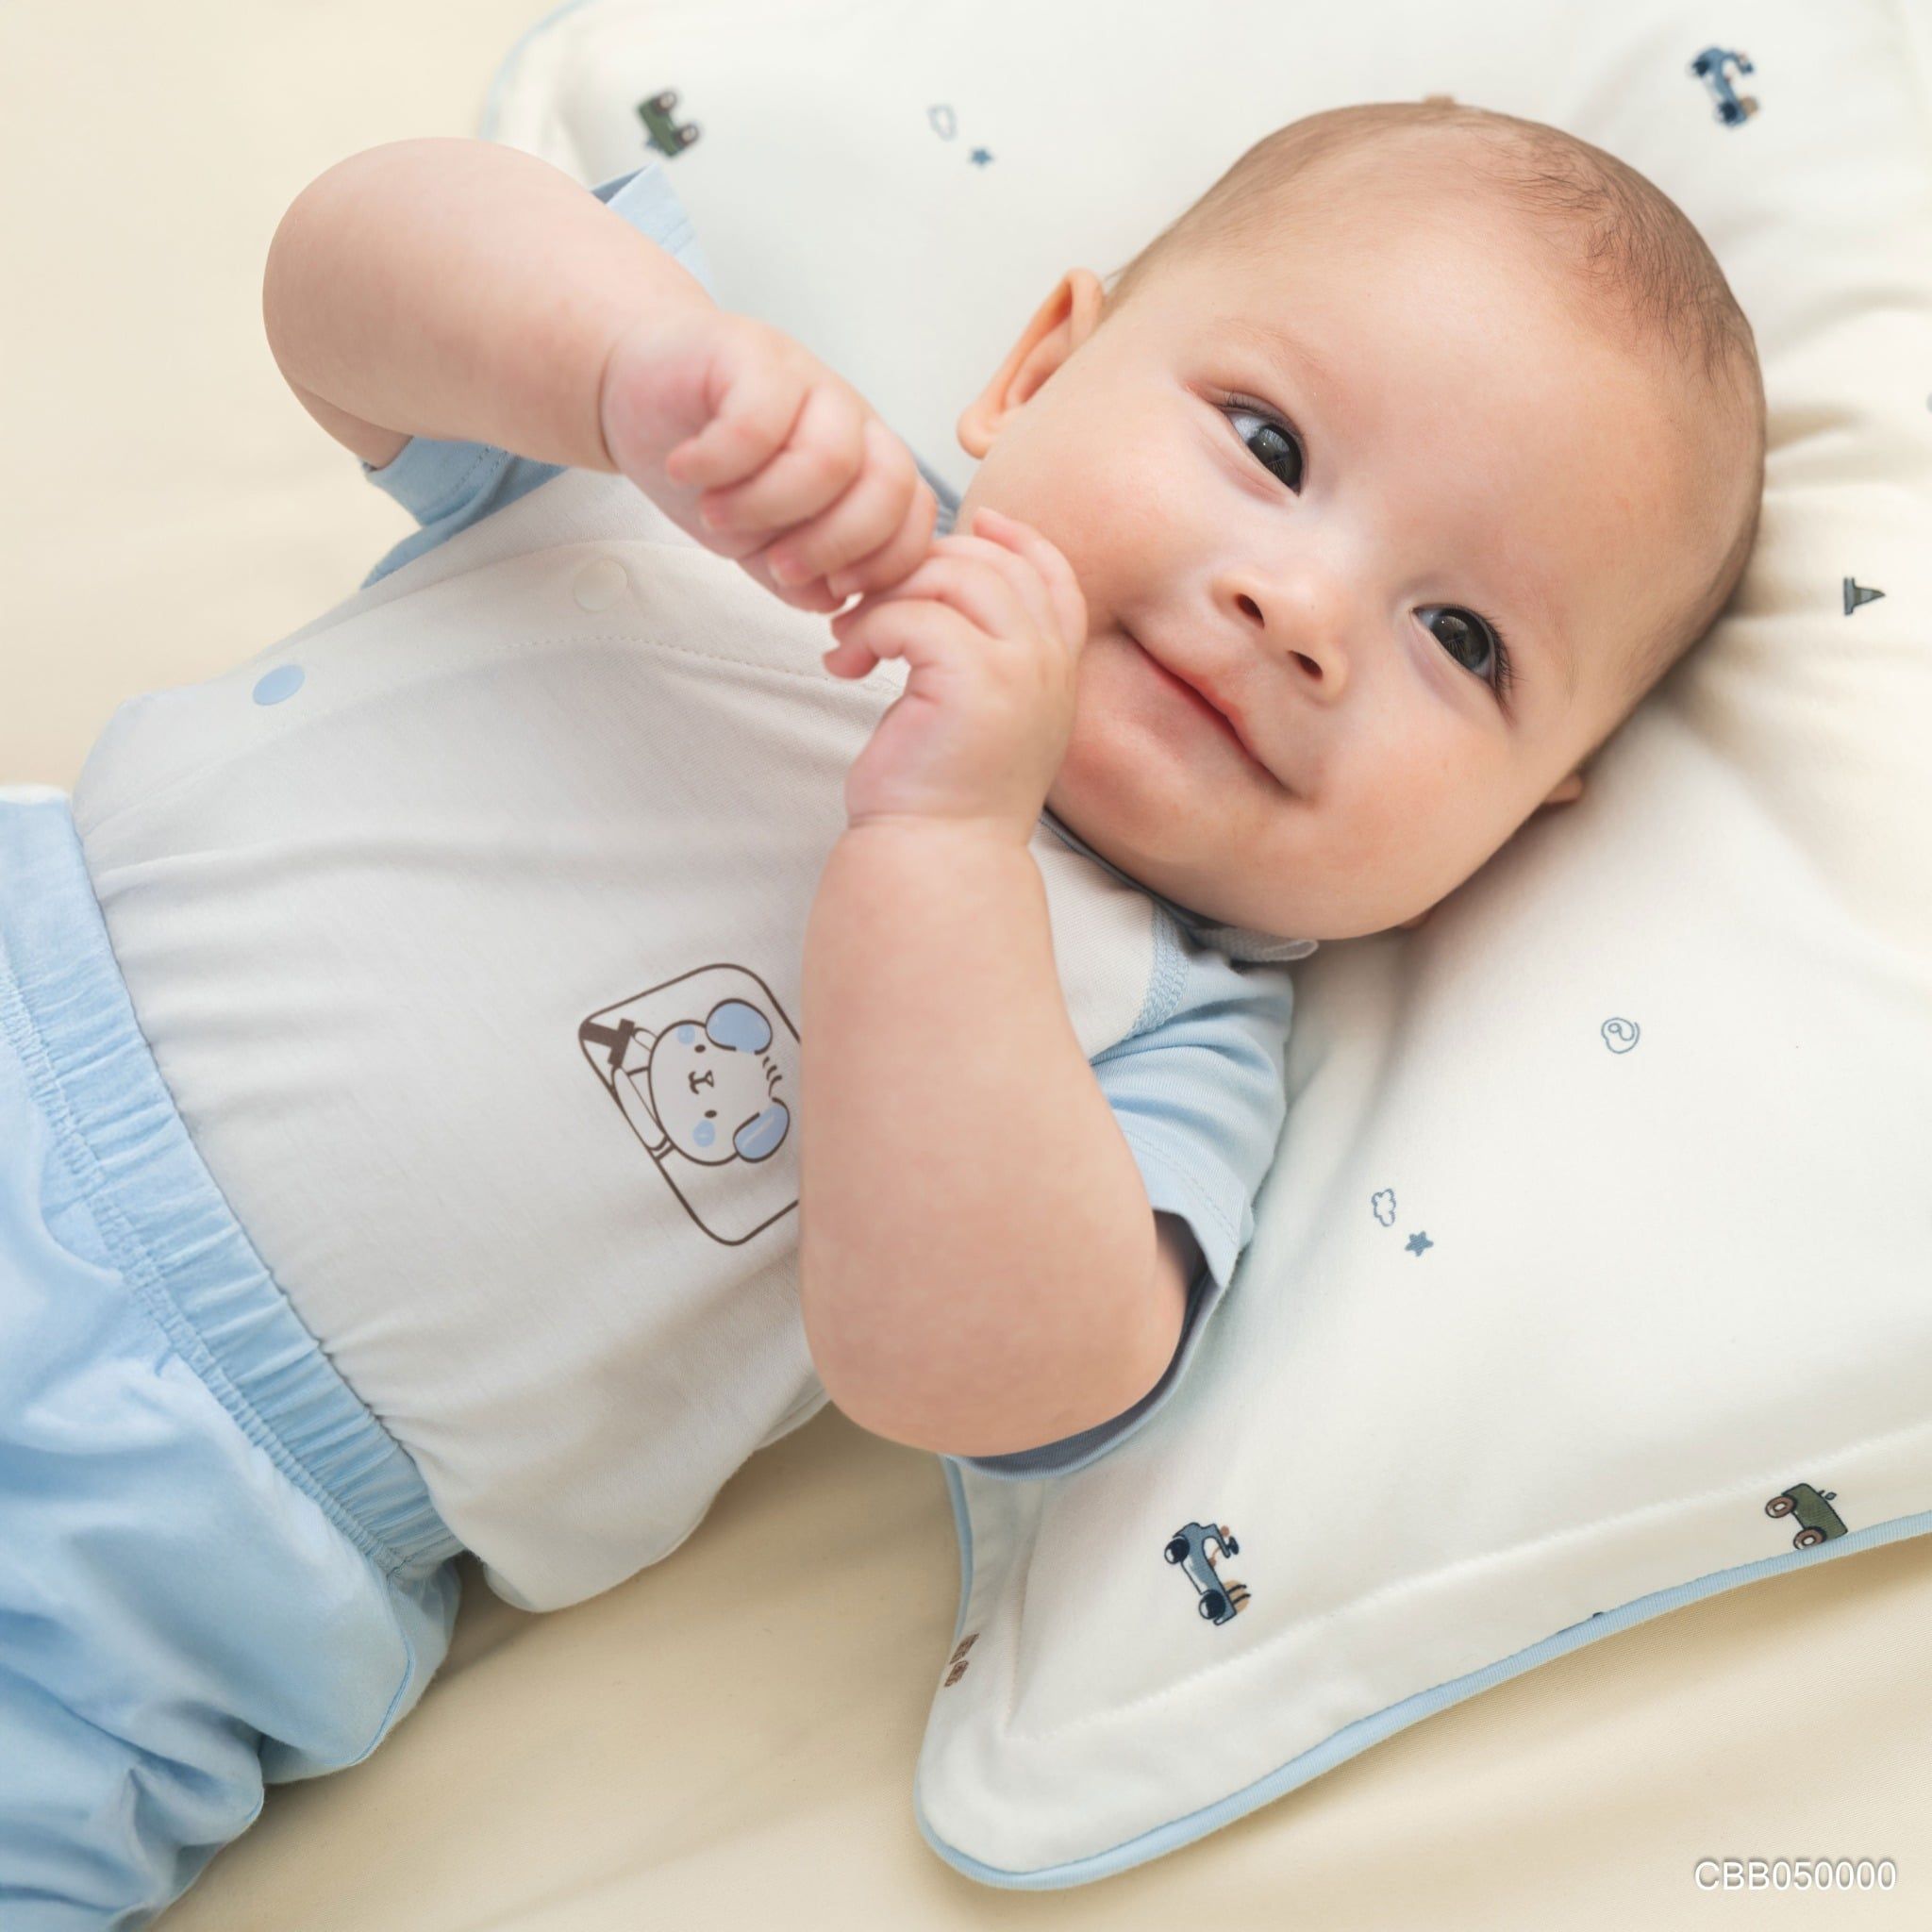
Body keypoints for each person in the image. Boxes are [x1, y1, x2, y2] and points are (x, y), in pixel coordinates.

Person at [0, 98, 1764, 1924]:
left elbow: (979, 1373)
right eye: (1268, 443)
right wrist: (629, 365)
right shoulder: (756, 484)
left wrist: (945, 845)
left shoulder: (1171, 1038)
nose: (1302, 605)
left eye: (1464, 640)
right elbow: (341, 274)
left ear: (1525, 815)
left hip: (184, 1558)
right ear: (1040, 369)